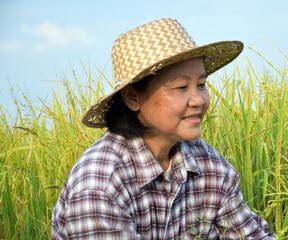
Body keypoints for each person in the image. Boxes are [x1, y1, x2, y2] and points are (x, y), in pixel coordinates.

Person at [52, 18, 276, 239]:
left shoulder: (209, 165)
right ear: (132, 97)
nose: (198, 100)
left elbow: (252, 234)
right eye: (180, 87)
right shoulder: (100, 185)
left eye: (201, 84)